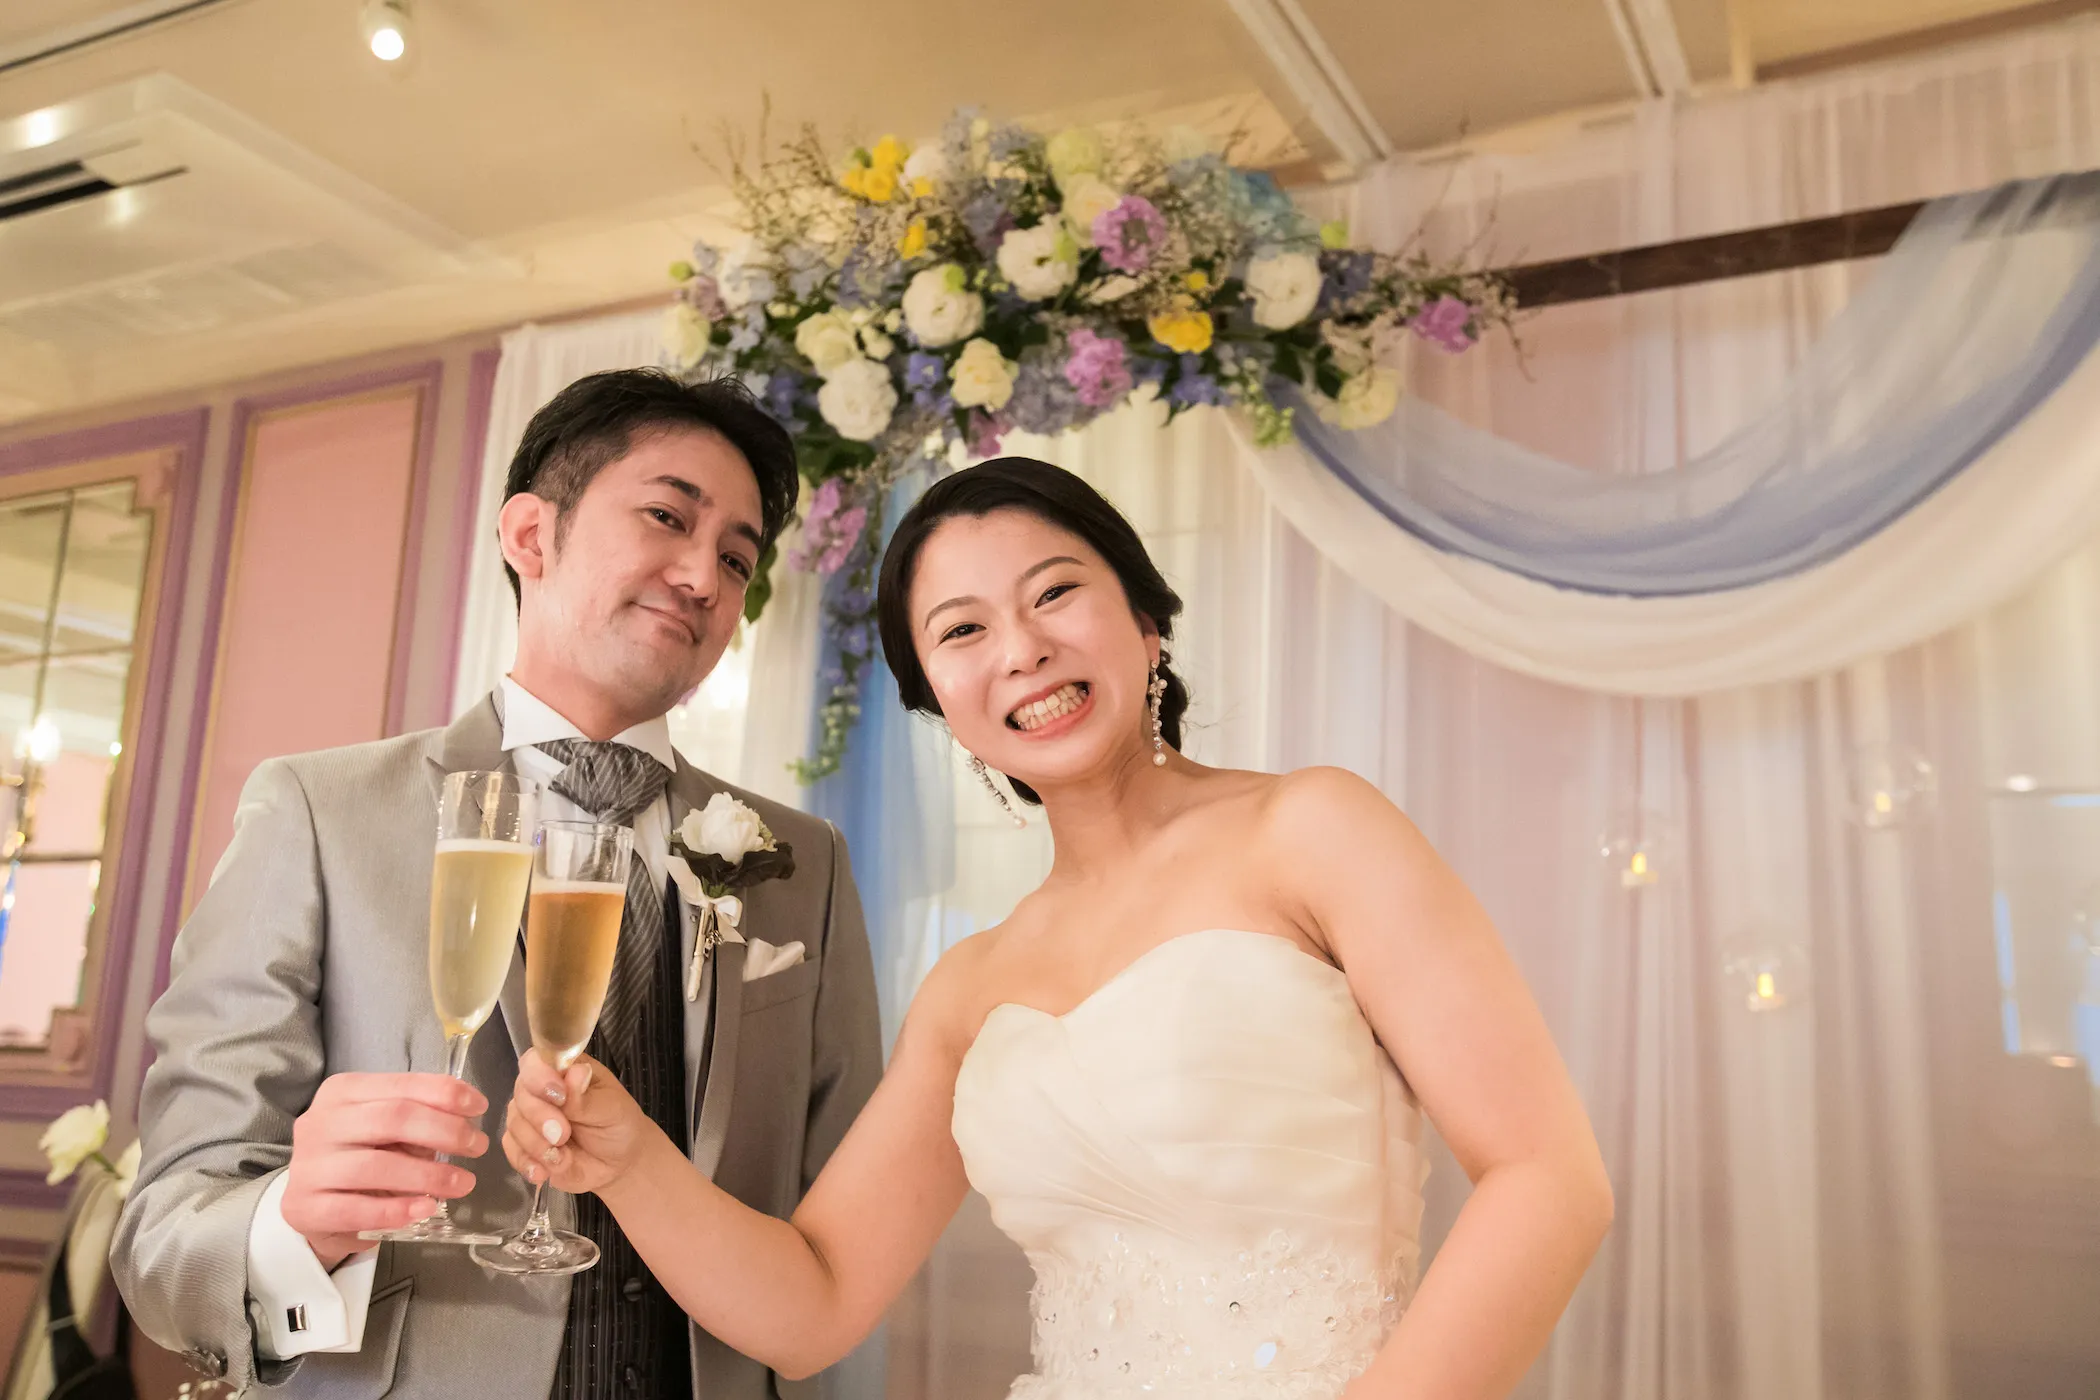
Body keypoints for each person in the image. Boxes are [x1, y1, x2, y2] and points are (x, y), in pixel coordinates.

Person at [505, 456, 1614, 1398]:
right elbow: (816, 1302)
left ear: (1145, 622)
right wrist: (630, 1159)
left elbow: (1547, 1179)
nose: (1022, 649)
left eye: (1055, 594)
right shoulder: (971, 986)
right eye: (963, 630)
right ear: (943, 704)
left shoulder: (1314, 829)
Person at [112, 370, 882, 1400]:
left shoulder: (804, 860)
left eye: (738, 558)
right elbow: (164, 1233)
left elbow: (838, 1228)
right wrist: (291, 1222)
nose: (705, 575)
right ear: (530, 533)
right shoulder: (318, 812)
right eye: (667, 517)